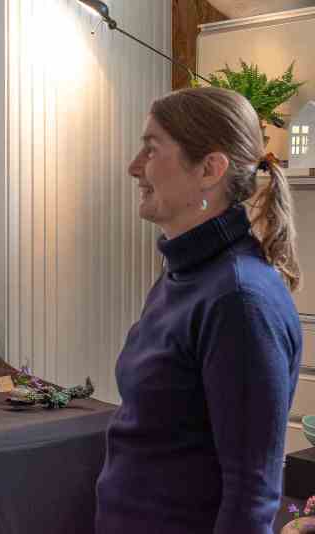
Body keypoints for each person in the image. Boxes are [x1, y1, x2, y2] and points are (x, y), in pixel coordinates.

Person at [95, 86, 302, 534]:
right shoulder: (185, 274)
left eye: (152, 149)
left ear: (210, 169)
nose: (134, 166)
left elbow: (251, 495)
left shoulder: (240, 302)